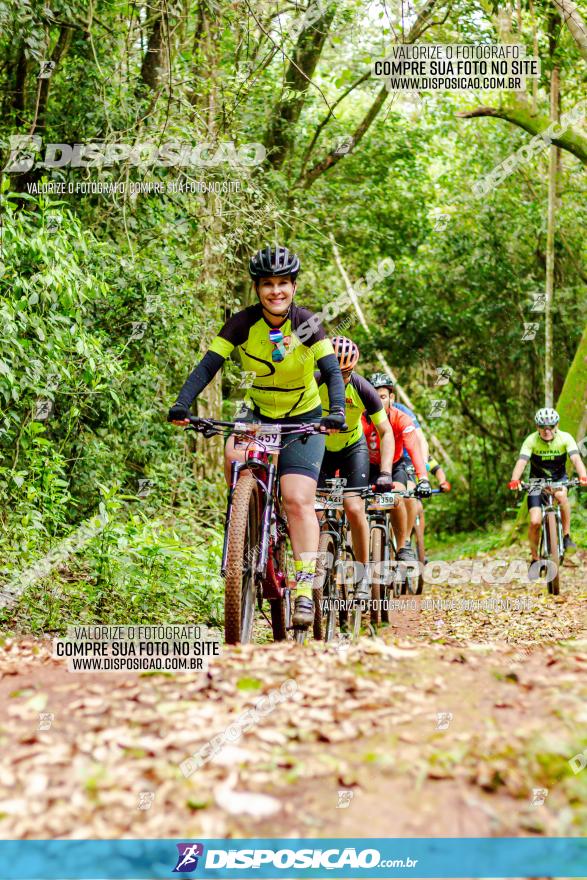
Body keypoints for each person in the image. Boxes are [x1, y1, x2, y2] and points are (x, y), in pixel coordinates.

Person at [168, 245, 346, 627]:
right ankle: (244, 535)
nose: (276, 291)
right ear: (257, 288)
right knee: (235, 458)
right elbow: (208, 366)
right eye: (268, 284)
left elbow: (332, 371)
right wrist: (183, 404)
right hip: (259, 412)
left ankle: (302, 589)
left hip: (304, 415)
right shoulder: (241, 323)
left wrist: (336, 413)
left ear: (294, 287)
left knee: (298, 500)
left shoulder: (309, 323)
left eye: (283, 283)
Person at [316, 337, 395, 602]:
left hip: (352, 448)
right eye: (334, 372)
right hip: (321, 449)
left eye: (346, 373)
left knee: (353, 506)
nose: (340, 378)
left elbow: (386, 432)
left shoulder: (363, 389)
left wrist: (385, 472)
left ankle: (362, 574)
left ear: (354, 369)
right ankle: (314, 567)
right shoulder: (313, 383)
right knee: (312, 509)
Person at [362, 379, 431, 561]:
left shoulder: (401, 418)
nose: (378, 401)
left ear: (391, 398)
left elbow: (414, 449)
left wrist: (423, 478)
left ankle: (402, 546)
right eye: (374, 397)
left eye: (383, 397)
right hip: (367, 466)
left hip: (394, 465)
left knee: (399, 495)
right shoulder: (360, 418)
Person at [508, 408, 587, 567]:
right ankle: (535, 559)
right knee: (535, 521)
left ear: (556, 425)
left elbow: (576, 459)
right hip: (536, 482)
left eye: (550, 426)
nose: (547, 430)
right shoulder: (531, 441)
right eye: (542, 427)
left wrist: (583, 476)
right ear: (537, 427)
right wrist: (515, 479)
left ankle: (566, 536)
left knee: (561, 497)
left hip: (559, 479)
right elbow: (522, 462)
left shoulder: (565, 438)